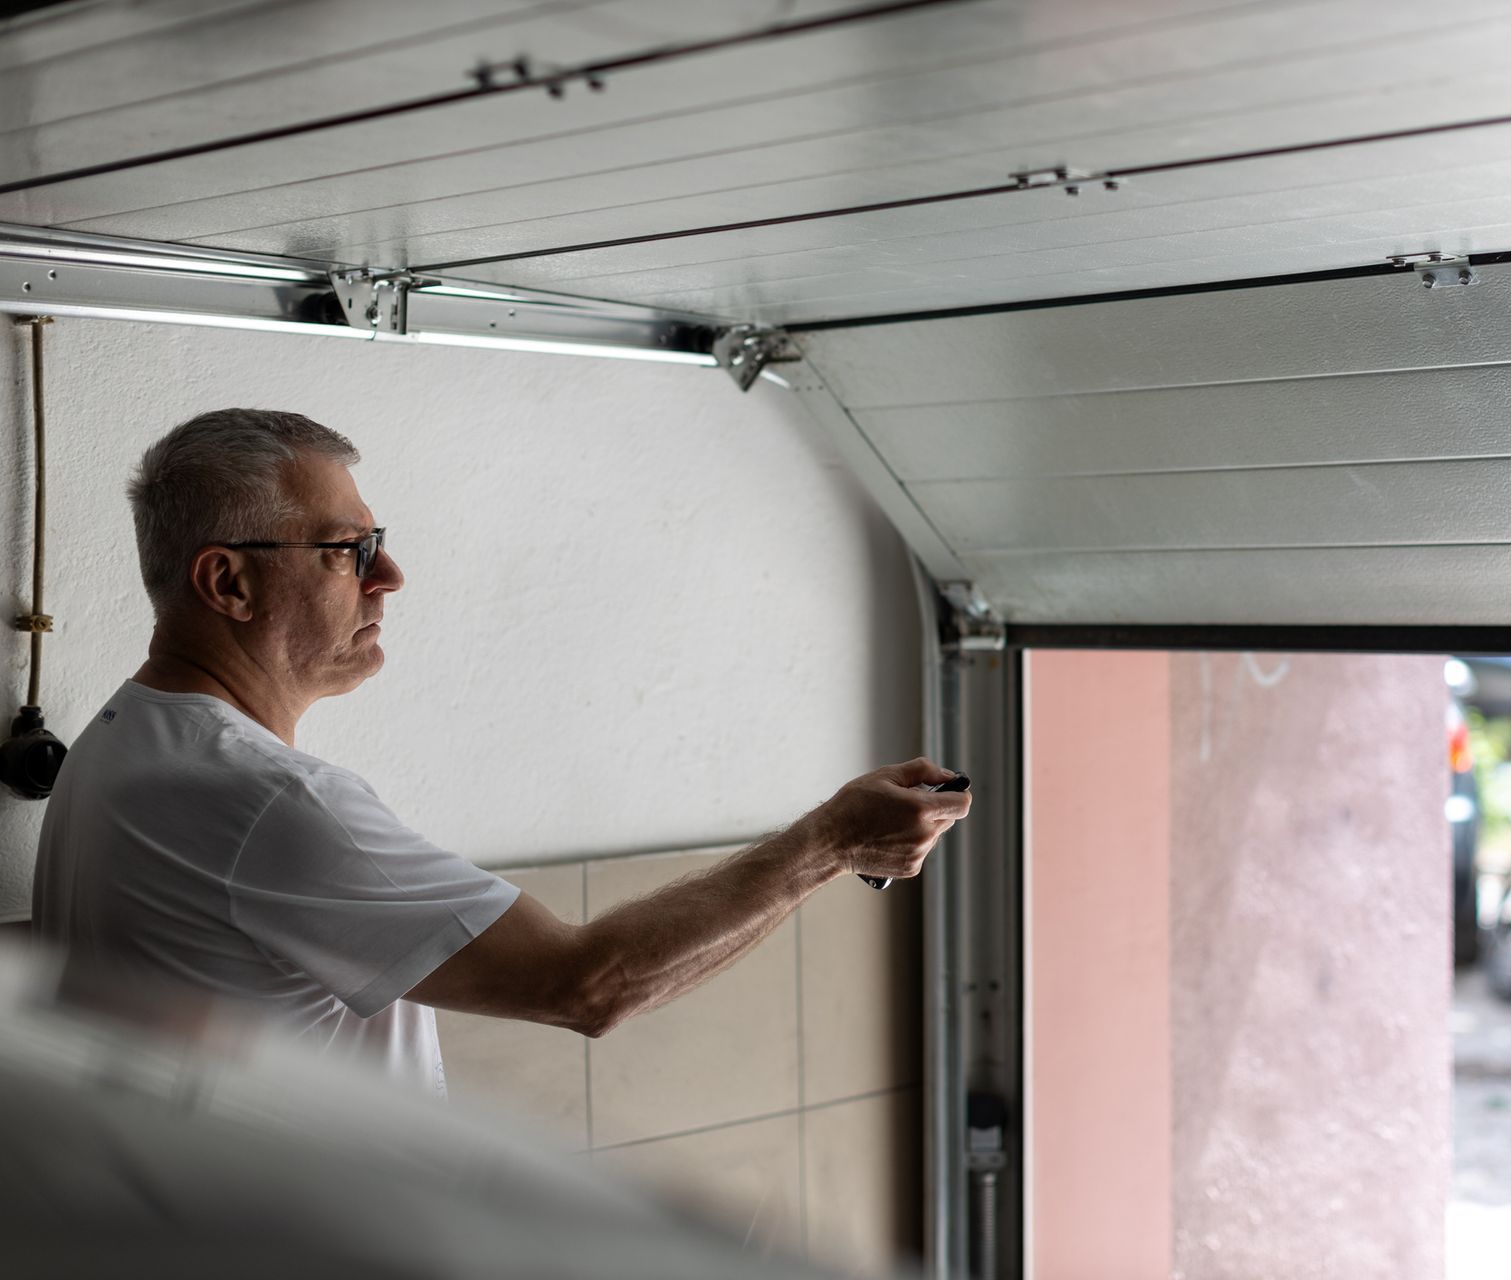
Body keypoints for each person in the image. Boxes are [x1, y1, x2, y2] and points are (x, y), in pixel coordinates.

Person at [31, 408, 971, 1097]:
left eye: (378, 544)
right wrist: (833, 841)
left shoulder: (120, 748)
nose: (389, 577)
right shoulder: (267, 803)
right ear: (227, 581)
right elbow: (589, 982)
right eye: (346, 550)